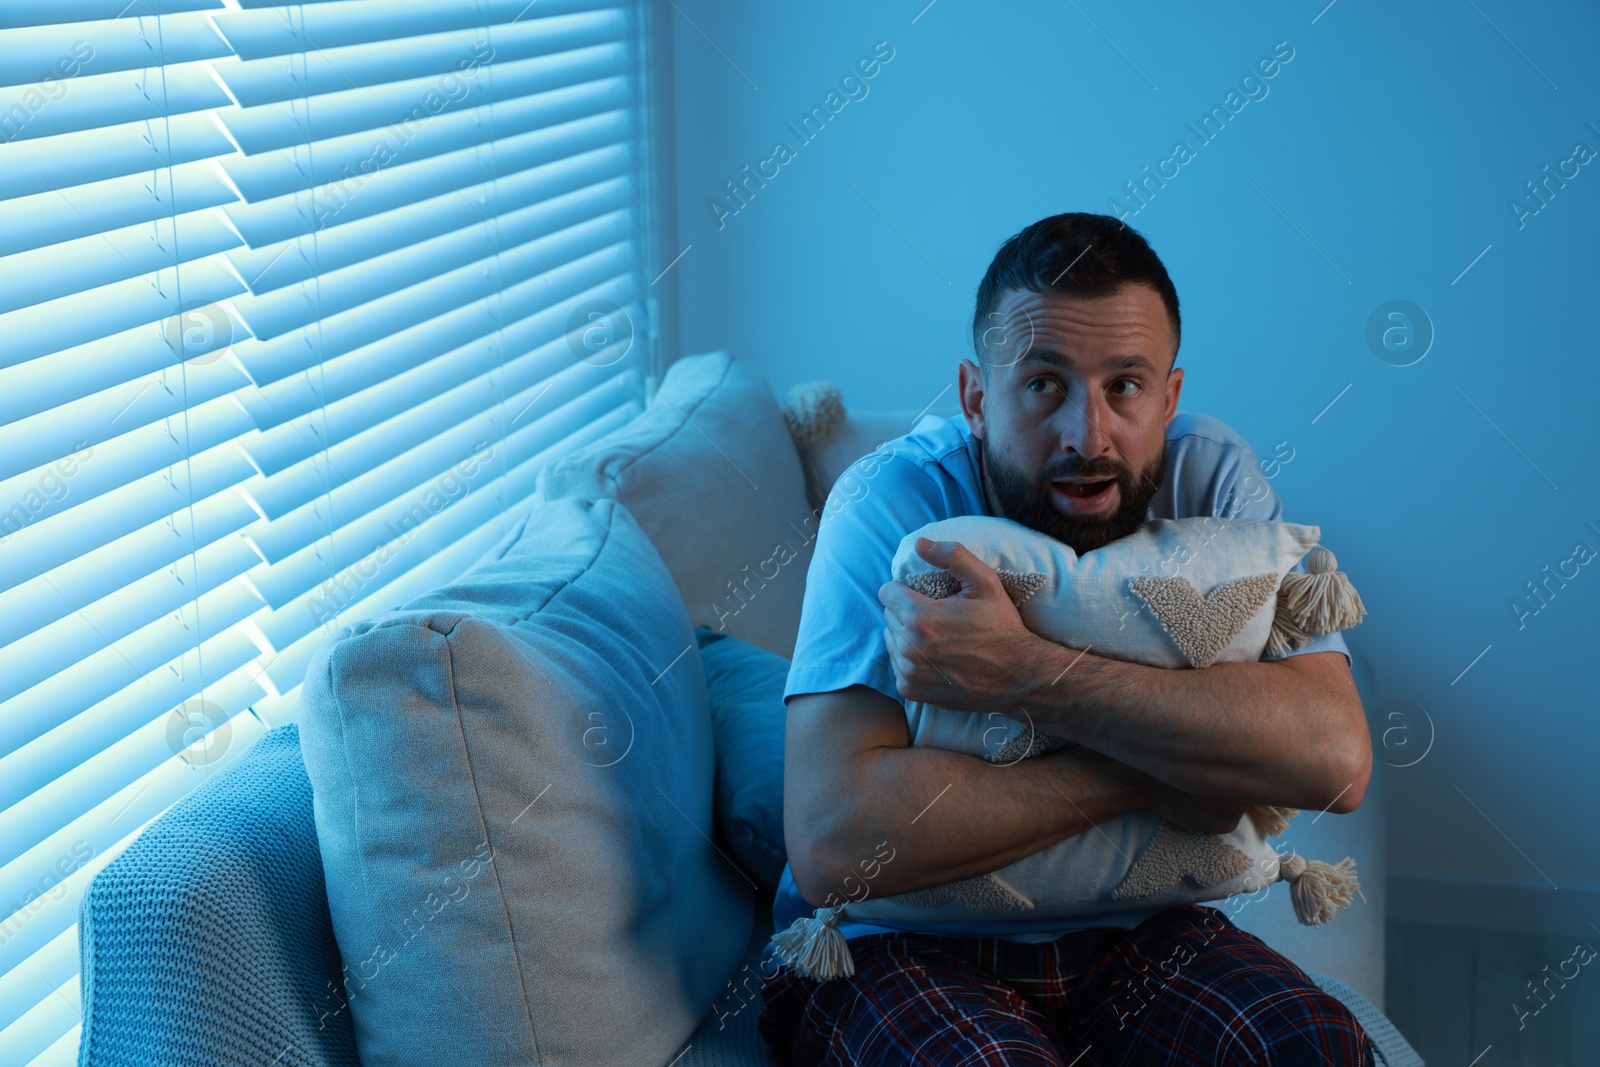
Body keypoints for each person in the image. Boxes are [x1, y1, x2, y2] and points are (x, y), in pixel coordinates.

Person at [758, 212, 1376, 1065]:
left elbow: (1335, 757)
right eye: (1044, 384)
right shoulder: (887, 503)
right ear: (977, 397)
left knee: (1312, 1045)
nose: (1089, 435)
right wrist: (1176, 764)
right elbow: (836, 843)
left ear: (1168, 395)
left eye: (1125, 385)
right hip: (894, 941)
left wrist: (1024, 671)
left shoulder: (1213, 478)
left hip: (1146, 930)